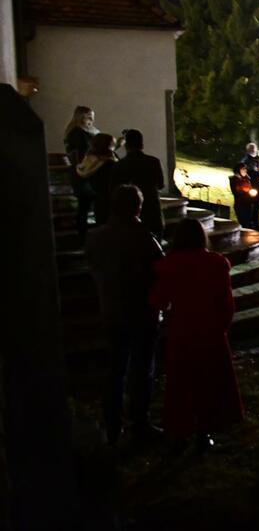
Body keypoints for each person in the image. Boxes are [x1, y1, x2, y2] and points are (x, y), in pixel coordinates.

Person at [149, 218, 244, 451]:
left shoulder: (170, 265)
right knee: (208, 381)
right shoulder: (216, 263)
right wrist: (222, 326)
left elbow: (158, 300)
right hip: (210, 329)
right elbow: (226, 303)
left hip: (182, 329)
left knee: (181, 382)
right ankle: (204, 429)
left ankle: (180, 429)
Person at [86, 185, 164, 445]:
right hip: (141, 312)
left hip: (111, 310)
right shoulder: (143, 237)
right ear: (138, 207)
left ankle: (113, 423)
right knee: (142, 369)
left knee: (115, 368)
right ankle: (139, 421)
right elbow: (159, 270)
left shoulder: (96, 237)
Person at [111, 129, 165, 240]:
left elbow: (114, 189)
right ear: (142, 144)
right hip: (152, 209)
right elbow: (160, 185)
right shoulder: (154, 161)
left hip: (129, 211)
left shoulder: (120, 165)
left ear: (126, 146)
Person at [64, 106, 98, 239]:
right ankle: (83, 236)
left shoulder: (77, 132)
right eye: (89, 117)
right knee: (85, 205)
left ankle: (83, 236)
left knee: (85, 205)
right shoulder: (78, 134)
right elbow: (84, 154)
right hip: (83, 171)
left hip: (83, 171)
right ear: (81, 117)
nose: (92, 120)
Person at [76, 133, 117, 228]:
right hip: (107, 200)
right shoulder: (109, 164)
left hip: (93, 200)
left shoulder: (86, 161)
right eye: (112, 144)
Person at [240, 143, 259, 229]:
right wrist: (257, 174)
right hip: (251, 186)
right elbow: (245, 173)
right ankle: (250, 224)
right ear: (248, 150)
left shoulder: (257, 160)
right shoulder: (245, 161)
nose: (253, 150)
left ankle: (256, 223)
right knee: (251, 205)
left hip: (258, 185)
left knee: (257, 206)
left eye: (254, 148)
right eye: (251, 148)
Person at [228, 163, 255, 229]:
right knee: (244, 223)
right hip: (240, 204)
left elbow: (249, 188)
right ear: (238, 170)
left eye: (245, 169)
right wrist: (247, 191)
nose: (245, 170)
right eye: (243, 169)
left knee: (248, 222)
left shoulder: (247, 178)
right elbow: (237, 191)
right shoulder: (234, 179)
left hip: (248, 203)